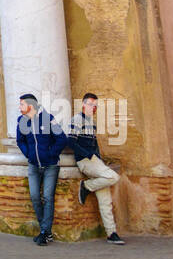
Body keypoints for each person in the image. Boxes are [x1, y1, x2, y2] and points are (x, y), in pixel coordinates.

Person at [69, 92, 125, 245]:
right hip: (85, 161)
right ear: (83, 104)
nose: (93, 108)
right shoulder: (77, 120)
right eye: (90, 104)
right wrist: (87, 155)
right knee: (113, 177)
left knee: (105, 200)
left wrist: (99, 159)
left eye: (95, 106)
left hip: (95, 161)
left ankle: (111, 233)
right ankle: (86, 186)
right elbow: (70, 141)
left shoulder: (92, 123)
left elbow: (95, 144)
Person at [16, 93, 66, 245]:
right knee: (35, 197)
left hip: (50, 165)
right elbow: (20, 141)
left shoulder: (48, 119)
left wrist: (51, 154)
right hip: (33, 165)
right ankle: (46, 231)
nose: (20, 108)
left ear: (30, 106)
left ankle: (44, 232)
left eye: (22, 104)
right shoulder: (21, 121)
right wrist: (29, 154)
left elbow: (62, 138)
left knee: (48, 197)